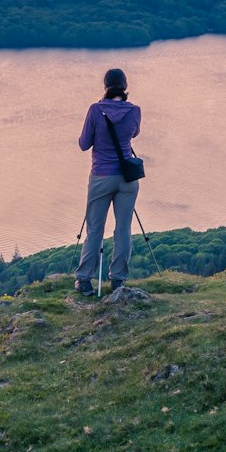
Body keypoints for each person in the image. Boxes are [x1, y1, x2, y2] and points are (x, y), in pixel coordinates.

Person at [75, 67, 142, 294]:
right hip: (127, 178)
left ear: (105, 86)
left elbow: (84, 144)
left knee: (95, 229)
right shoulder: (134, 111)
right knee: (123, 228)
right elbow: (134, 134)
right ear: (125, 87)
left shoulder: (96, 110)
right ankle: (118, 279)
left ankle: (84, 280)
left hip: (102, 176)